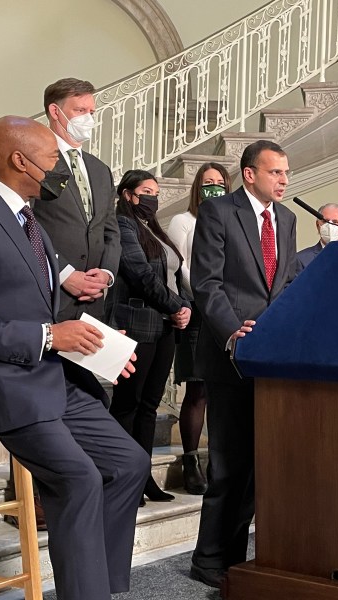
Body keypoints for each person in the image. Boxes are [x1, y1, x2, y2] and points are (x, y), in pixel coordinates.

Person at [0, 116, 149, 600]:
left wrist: (101, 345)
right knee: (78, 477)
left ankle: (100, 589)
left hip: (50, 374)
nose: (59, 169)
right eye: (52, 159)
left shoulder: (28, 218)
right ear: (20, 161)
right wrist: (51, 336)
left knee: (130, 463)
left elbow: (44, 303)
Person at [189, 139, 298, 588]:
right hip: (229, 353)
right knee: (229, 464)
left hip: (271, 358)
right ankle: (209, 558)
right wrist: (233, 330)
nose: (285, 181)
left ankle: (237, 556)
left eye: (287, 173)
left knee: (259, 463)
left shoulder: (287, 220)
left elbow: (286, 282)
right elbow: (206, 282)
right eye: (276, 173)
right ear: (250, 174)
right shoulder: (219, 212)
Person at [107, 170, 191, 505]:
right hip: (139, 322)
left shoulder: (152, 228)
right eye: (146, 191)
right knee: (127, 405)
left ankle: (143, 479)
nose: (153, 197)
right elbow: (139, 274)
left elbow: (174, 276)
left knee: (149, 408)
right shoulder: (123, 225)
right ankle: (123, 480)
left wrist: (183, 306)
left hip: (165, 326)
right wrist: (175, 307)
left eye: (156, 191)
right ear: (128, 195)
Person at [33, 77, 120, 325]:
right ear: (55, 111)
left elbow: (110, 229)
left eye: (91, 112)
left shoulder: (100, 169)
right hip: (49, 298)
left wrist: (106, 273)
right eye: (80, 111)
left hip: (92, 305)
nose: (88, 119)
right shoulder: (35, 159)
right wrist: (63, 274)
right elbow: (25, 223)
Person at [167, 162, 231, 495]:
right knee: (197, 390)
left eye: (220, 183)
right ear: (197, 188)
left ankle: (218, 461)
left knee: (223, 390)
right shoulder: (184, 221)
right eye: (208, 183)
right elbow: (181, 267)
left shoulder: (232, 221)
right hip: (198, 311)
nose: (214, 188)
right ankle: (190, 460)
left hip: (226, 316)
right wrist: (210, 297)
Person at [297, 203, 338, 268]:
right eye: (325, 221)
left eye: (335, 222)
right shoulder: (301, 259)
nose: (330, 226)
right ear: (318, 225)